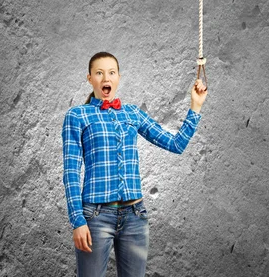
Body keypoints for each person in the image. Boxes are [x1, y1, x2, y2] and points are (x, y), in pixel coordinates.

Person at [62, 51, 208, 277]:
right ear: (90, 79)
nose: (106, 78)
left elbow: (175, 144)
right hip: (95, 218)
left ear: (119, 77)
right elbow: (71, 172)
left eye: (111, 72)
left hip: (135, 217)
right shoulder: (77, 115)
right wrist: (77, 220)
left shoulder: (132, 113)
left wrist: (195, 106)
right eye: (99, 73)